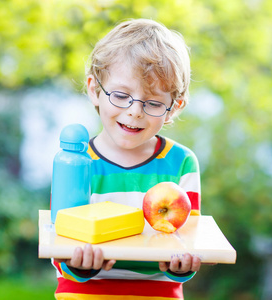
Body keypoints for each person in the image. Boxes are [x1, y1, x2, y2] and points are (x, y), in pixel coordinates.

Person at [52, 18, 202, 300]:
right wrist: (78, 265)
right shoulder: (75, 163)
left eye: (154, 103)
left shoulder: (181, 163)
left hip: (158, 294)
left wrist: (181, 266)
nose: (135, 111)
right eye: (121, 95)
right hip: (85, 291)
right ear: (95, 90)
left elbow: (188, 240)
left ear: (173, 108)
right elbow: (60, 242)